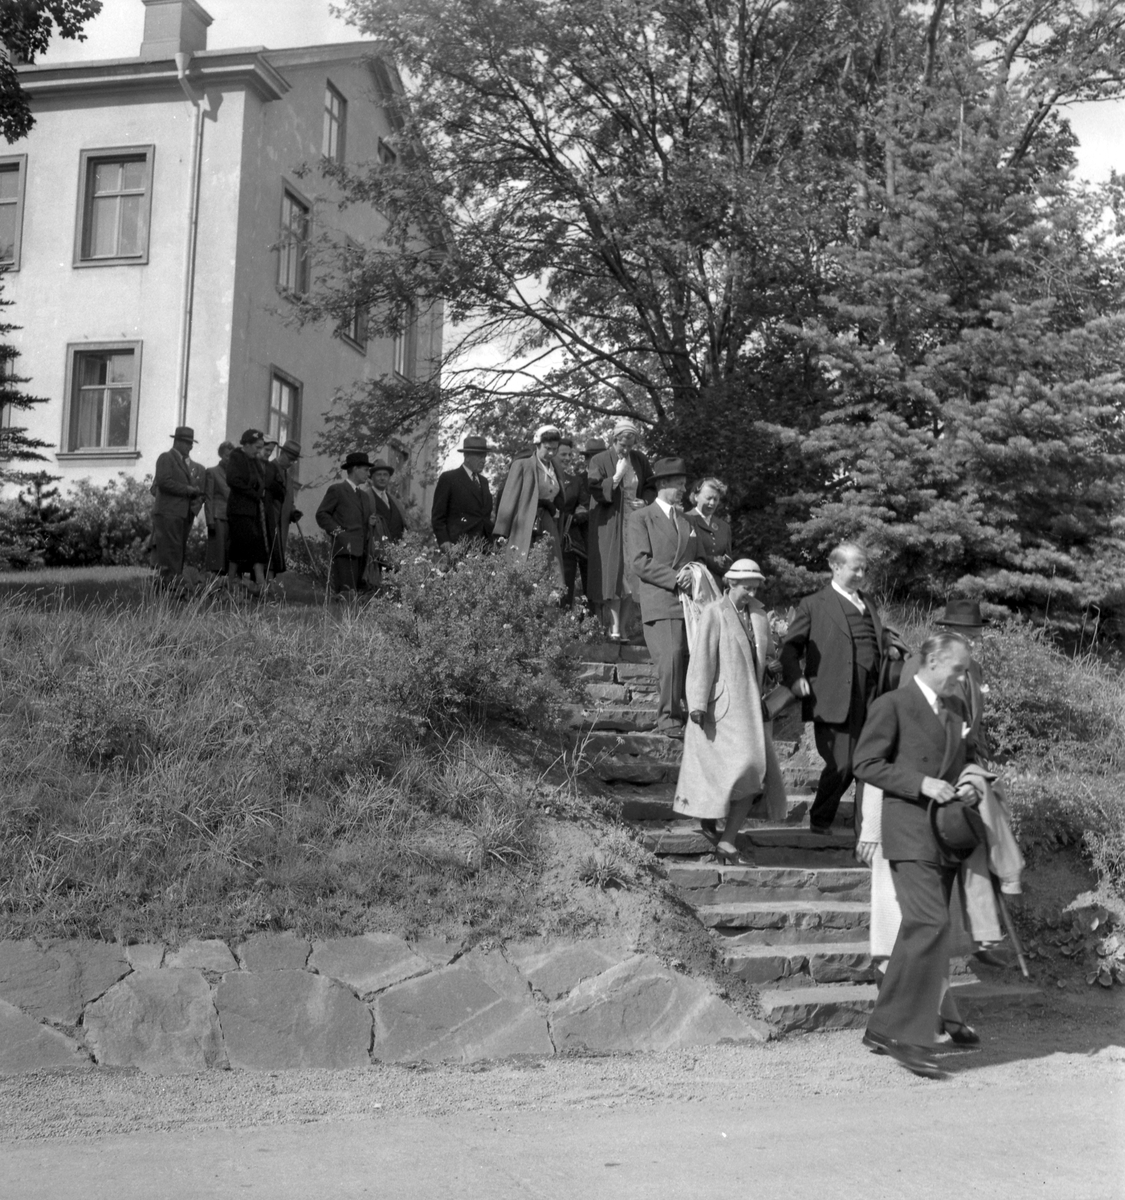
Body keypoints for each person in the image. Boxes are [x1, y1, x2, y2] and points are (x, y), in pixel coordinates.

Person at [853, 632, 977, 1079]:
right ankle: (908, 1035)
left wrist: (971, 781)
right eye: (959, 670)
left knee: (919, 929)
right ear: (934, 661)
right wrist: (919, 783)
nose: (963, 679)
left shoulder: (956, 710)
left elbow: (970, 758)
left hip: (945, 835)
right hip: (907, 832)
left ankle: (883, 1027)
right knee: (930, 924)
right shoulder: (893, 704)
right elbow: (865, 763)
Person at [674, 559, 788, 863]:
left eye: (755, 587)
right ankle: (711, 819)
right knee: (720, 772)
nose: (750, 592)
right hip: (720, 709)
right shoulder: (714, 612)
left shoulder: (760, 617)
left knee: (752, 770)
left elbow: (766, 655)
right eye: (745, 587)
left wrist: (773, 665)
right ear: (730, 584)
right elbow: (701, 660)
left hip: (752, 711)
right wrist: (697, 703)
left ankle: (727, 841)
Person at [779, 542, 893, 835]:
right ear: (836, 566)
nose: (860, 574)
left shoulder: (868, 603)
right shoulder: (814, 604)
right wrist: (795, 678)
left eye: (864, 569)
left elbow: (874, 641)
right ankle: (820, 820)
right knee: (843, 763)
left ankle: (866, 831)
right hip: (832, 696)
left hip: (871, 696)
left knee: (869, 762)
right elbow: (790, 649)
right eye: (855, 568)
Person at [630, 457, 702, 738]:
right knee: (670, 659)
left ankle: (691, 713)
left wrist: (693, 573)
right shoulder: (641, 518)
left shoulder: (687, 520)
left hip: (691, 601)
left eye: (684, 484)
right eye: (678, 484)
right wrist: (675, 578)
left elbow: (700, 559)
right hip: (660, 599)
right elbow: (639, 561)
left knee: (691, 659)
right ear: (661, 484)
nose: (684, 489)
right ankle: (669, 719)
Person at [587, 421, 655, 640]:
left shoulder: (640, 460)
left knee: (632, 574)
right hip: (611, 523)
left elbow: (651, 486)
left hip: (635, 523)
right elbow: (595, 488)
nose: (625, 450)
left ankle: (622, 627)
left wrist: (644, 501)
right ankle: (614, 627)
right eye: (622, 445)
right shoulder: (599, 460)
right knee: (615, 575)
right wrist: (616, 477)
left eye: (630, 445)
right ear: (613, 440)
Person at [494, 425, 566, 575]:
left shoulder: (556, 468)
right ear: (537, 445)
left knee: (551, 568)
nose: (551, 453)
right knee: (525, 567)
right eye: (547, 448)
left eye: (555, 448)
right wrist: (501, 534)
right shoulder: (522, 465)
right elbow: (509, 499)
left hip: (549, 524)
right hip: (526, 525)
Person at [316, 452, 376, 596]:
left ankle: (352, 619)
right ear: (355, 468)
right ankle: (341, 618)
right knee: (346, 594)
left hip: (362, 552)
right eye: (365, 469)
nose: (368, 474)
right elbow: (322, 515)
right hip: (344, 551)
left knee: (358, 595)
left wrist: (370, 523)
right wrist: (339, 534)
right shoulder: (337, 490)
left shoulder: (364, 496)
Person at [151, 425, 204, 581]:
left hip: (178, 513)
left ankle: (173, 585)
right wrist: (188, 489)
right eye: (188, 443)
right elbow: (163, 482)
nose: (191, 447)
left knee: (175, 550)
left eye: (191, 443)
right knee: (170, 552)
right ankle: (170, 586)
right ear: (178, 442)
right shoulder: (166, 458)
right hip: (168, 512)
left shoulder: (180, 461)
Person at [225, 429, 270, 592]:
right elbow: (233, 480)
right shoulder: (236, 457)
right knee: (238, 545)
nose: (258, 451)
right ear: (247, 444)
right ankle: (231, 582)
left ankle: (260, 583)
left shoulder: (254, 461)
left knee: (257, 545)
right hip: (239, 510)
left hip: (254, 510)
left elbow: (260, 481)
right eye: (256, 447)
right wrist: (253, 494)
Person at [431, 435, 496, 547]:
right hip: (459, 546)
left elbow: (484, 517)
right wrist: (444, 542)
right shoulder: (449, 478)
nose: (483, 461)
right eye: (479, 456)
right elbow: (438, 517)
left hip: (485, 548)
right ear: (467, 456)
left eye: (484, 456)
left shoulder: (484, 482)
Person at [557, 436, 591, 609]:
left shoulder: (576, 481)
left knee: (567, 586)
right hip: (544, 539)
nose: (567, 458)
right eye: (563, 454)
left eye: (569, 455)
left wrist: (579, 513)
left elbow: (585, 505)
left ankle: (565, 630)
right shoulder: (542, 478)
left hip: (567, 542)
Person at [264, 440, 302, 575]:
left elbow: (289, 502)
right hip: (269, 525)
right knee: (267, 559)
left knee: (276, 561)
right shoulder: (269, 468)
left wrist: (293, 512)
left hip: (282, 528)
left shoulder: (289, 478)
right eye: (290, 459)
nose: (291, 463)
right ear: (282, 453)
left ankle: (268, 590)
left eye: (294, 461)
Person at [684, 477, 734, 577]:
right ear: (696, 497)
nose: (712, 503)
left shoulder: (724, 527)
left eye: (715, 499)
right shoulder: (685, 520)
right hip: (694, 583)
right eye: (708, 498)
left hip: (717, 586)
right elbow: (682, 556)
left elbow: (729, 559)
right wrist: (709, 561)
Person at [203, 441, 233, 574]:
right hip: (217, 517)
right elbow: (208, 498)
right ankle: (213, 585)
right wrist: (209, 521)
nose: (229, 459)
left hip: (232, 517)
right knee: (217, 555)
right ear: (221, 455)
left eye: (232, 456)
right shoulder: (212, 472)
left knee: (229, 554)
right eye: (227, 456)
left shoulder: (235, 475)